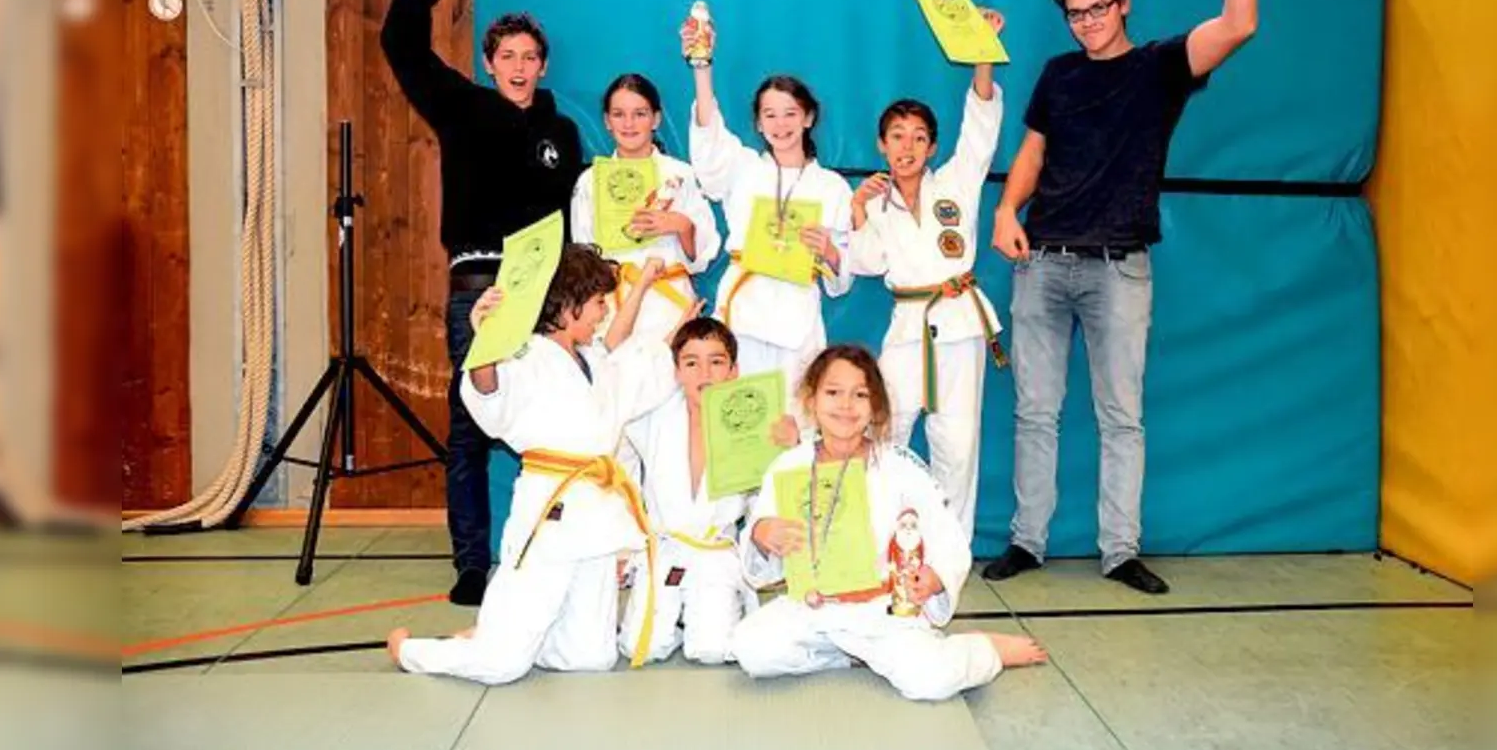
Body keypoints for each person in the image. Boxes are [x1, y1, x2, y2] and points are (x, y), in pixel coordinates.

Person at [981, 0, 1260, 593]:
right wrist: (1007, 211)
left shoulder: (1161, 67)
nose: (1088, 22)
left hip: (1119, 268)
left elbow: (1238, 24)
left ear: (1123, 3)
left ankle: (1120, 550)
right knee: (1034, 411)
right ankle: (1027, 541)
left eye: (1099, 8)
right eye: (1076, 13)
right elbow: (1034, 154)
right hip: (1041, 262)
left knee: (1121, 417)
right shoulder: (1057, 74)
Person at [380, 0, 584, 605]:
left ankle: (555, 549)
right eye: (507, 56)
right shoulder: (462, 107)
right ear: (490, 62)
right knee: (471, 426)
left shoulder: (563, 135)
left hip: (547, 294)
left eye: (530, 56)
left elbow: (576, 217)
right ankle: (472, 561)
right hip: (479, 288)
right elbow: (400, 43)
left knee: (555, 419)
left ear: (544, 64)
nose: (519, 66)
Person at [386, 245, 696, 684]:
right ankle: (416, 650)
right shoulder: (524, 355)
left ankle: (499, 635)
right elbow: (490, 392)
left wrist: (679, 339)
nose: (603, 312)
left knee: (591, 657)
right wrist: (486, 340)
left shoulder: (593, 361)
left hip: (597, 520)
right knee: (501, 667)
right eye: (598, 304)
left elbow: (637, 374)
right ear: (568, 307)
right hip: (549, 514)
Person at [729, 345, 1048, 702]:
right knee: (751, 648)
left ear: (876, 407)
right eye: (833, 392)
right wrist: (761, 534)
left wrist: (935, 577)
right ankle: (852, 655)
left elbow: (948, 538)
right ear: (811, 399)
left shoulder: (901, 467)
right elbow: (762, 546)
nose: (846, 405)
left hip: (883, 612)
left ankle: (983, 650)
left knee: (931, 682)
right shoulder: (788, 467)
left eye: (860, 395)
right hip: (813, 607)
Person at [848, 6, 1008, 541]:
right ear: (881, 144)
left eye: (919, 137)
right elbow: (868, 263)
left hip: (959, 324)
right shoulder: (874, 200)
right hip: (906, 327)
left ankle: (950, 551)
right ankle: (881, 541)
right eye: (897, 136)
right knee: (886, 433)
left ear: (933, 147)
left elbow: (982, 129)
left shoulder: (958, 183)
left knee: (958, 444)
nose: (907, 147)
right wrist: (855, 212)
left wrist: (983, 54)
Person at [681, 15, 855, 412]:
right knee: (739, 424)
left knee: (799, 422)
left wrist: (829, 250)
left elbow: (842, 278)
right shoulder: (743, 167)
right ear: (758, 123)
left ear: (808, 118)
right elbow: (709, 140)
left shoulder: (832, 187)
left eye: (791, 113)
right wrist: (701, 67)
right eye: (770, 115)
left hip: (798, 318)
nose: (781, 124)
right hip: (744, 312)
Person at [616, 316, 797, 665]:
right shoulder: (650, 416)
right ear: (676, 371)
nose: (705, 374)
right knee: (641, 648)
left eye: (716, 362)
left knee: (712, 651)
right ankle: (676, 615)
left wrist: (791, 447)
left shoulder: (758, 423)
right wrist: (624, 546)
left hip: (714, 551)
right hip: (666, 548)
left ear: (734, 370)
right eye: (691, 363)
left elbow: (771, 497)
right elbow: (619, 378)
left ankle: (710, 609)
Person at [571, 73, 722, 347]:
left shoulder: (680, 174)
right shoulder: (590, 181)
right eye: (619, 114)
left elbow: (703, 255)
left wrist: (680, 225)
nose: (629, 124)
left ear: (656, 118)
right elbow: (584, 255)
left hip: (669, 305)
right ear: (606, 121)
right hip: (612, 307)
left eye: (640, 114)